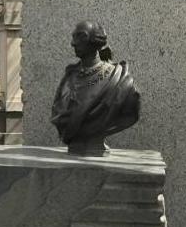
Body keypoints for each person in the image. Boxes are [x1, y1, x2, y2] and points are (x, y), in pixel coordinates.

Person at [50, 21, 140, 156]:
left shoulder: (119, 80)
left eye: (81, 37)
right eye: (74, 37)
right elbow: (58, 113)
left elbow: (130, 114)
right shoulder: (70, 76)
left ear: (96, 41)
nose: (73, 43)